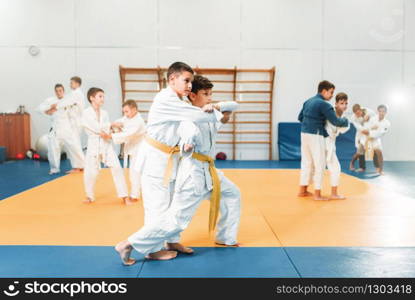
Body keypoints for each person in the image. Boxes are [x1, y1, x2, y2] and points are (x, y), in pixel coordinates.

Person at [115, 62, 225, 264]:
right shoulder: (166, 99)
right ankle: (150, 250)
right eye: (186, 80)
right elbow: (196, 115)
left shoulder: (178, 100)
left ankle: (172, 242)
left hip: (171, 159)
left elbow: (188, 123)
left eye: (191, 81)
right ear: (171, 79)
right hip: (155, 160)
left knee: (171, 205)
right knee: (157, 207)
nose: (190, 85)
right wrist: (216, 108)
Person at [172, 75, 241, 247]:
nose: (209, 98)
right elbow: (185, 132)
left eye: (211, 94)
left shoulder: (210, 112)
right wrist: (187, 144)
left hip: (209, 170)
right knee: (179, 214)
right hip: (192, 171)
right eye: (205, 94)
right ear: (193, 96)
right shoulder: (187, 116)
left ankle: (225, 237)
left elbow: (233, 106)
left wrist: (217, 107)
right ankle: (165, 242)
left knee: (232, 194)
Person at [297, 80, 349, 201]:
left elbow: (300, 117)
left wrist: (310, 123)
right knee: (319, 164)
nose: (331, 95)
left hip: (304, 133)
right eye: (331, 92)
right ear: (324, 91)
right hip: (316, 134)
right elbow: (336, 121)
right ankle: (317, 194)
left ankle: (302, 190)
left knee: (307, 163)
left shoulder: (308, 101)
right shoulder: (324, 104)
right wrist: (346, 121)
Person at [82, 87, 129, 204]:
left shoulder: (104, 113)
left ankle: (124, 195)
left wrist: (113, 130)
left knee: (117, 168)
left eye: (103, 96)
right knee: (91, 173)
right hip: (93, 144)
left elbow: (106, 131)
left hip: (106, 145)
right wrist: (111, 125)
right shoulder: (85, 113)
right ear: (92, 98)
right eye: (100, 96)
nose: (103, 99)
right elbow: (94, 128)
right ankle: (89, 196)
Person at [37, 84, 85, 174]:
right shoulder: (51, 101)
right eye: (57, 91)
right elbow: (40, 109)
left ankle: (80, 166)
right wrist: (49, 109)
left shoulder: (68, 100)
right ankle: (54, 169)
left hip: (67, 128)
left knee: (74, 147)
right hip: (55, 128)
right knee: (53, 149)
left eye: (60, 90)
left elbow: (76, 110)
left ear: (63, 91)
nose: (59, 92)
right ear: (55, 92)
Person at [110, 100, 146, 203]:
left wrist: (111, 135)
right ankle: (141, 192)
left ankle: (135, 195)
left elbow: (128, 134)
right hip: (134, 149)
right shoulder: (129, 117)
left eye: (127, 111)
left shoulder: (138, 121)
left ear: (134, 109)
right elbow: (122, 121)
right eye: (124, 112)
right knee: (139, 172)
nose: (125, 114)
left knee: (134, 172)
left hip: (140, 149)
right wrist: (116, 124)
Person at [325, 92, 350, 200]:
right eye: (341, 103)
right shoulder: (331, 113)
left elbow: (343, 129)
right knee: (335, 168)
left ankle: (305, 190)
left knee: (330, 168)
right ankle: (333, 194)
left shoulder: (344, 117)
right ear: (336, 104)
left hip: (330, 142)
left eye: (346, 103)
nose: (344, 105)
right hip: (324, 142)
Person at [361, 104, 390, 175]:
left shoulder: (387, 123)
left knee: (379, 153)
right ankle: (362, 167)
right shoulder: (373, 118)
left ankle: (380, 170)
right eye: (380, 111)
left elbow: (382, 133)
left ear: (386, 112)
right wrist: (370, 128)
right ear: (378, 111)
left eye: (383, 111)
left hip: (376, 139)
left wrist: (372, 134)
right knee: (360, 151)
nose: (381, 113)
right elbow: (366, 127)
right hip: (367, 137)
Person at [66, 76, 85, 173]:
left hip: (75, 121)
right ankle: (80, 165)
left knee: (74, 143)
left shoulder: (76, 94)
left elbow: (67, 105)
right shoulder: (78, 94)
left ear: (77, 84)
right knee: (75, 143)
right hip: (75, 121)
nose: (70, 85)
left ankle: (78, 166)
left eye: (72, 83)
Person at [348, 104, 375, 172]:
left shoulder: (368, 111)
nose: (357, 114)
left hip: (370, 132)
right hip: (361, 134)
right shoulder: (353, 118)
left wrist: (369, 117)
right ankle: (352, 163)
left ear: (360, 110)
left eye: (358, 113)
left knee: (373, 149)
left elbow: (375, 117)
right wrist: (363, 122)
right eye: (356, 114)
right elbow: (359, 128)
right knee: (360, 151)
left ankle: (376, 167)